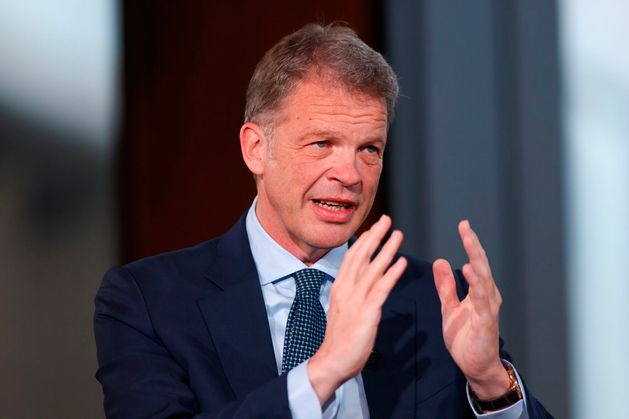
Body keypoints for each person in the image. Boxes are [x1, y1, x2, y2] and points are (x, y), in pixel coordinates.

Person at [94, 23, 553, 418]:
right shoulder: (148, 302)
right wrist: (324, 371)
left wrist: (490, 381)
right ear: (256, 149)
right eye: (322, 144)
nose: (350, 175)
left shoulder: (437, 301)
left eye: (369, 149)